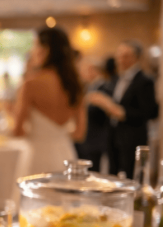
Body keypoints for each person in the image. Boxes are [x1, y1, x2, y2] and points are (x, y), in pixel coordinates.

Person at [13, 27, 86, 175]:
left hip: (38, 157)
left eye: (35, 45)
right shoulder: (74, 84)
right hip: (66, 156)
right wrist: (58, 134)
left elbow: (17, 131)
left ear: (45, 50)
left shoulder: (31, 83)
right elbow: (79, 133)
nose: (33, 50)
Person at [87, 40, 159, 177]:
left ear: (136, 57)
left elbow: (149, 112)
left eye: (125, 56)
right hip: (113, 135)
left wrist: (120, 112)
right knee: (112, 176)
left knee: (133, 176)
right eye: (119, 55)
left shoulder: (145, 81)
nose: (120, 59)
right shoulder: (116, 79)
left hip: (132, 137)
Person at [75, 58, 111, 172]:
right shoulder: (89, 87)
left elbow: (102, 115)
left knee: (93, 172)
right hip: (87, 138)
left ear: (93, 70)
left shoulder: (104, 87)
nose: (82, 73)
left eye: (84, 70)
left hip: (95, 139)